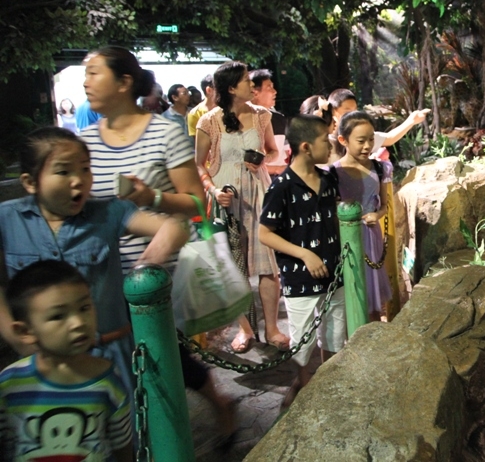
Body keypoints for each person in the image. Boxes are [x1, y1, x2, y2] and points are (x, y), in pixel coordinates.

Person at [77, 47, 235, 442]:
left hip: (157, 271)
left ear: (124, 82)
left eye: (94, 73)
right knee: (141, 358)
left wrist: (152, 198)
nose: (86, 82)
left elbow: (196, 202)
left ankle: (174, 433)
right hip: (104, 275)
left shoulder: (163, 133)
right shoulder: (83, 143)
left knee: (160, 355)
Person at [0, 127, 189, 400]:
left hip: (110, 356)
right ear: (30, 182)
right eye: (63, 171)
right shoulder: (7, 219)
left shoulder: (109, 212)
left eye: (85, 169)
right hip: (41, 365)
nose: (79, 180)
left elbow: (174, 228)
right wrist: (16, 337)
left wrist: (146, 267)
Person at [195, 61, 289, 353]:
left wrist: (262, 157)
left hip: (258, 194)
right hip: (225, 199)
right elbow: (199, 165)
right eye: (247, 80)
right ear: (232, 88)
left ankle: (272, 329)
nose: (252, 85)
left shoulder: (262, 115)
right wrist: (213, 191)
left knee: (268, 265)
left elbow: (273, 151)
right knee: (232, 268)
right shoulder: (208, 121)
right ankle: (245, 329)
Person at [0, 261, 133, 462]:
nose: (78, 323)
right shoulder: (9, 383)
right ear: (25, 331)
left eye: (84, 307)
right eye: (58, 316)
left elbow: (122, 447)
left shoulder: (107, 380)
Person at [258, 114, 345, 409]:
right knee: (302, 339)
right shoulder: (281, 187)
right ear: (306, 146)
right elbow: (265, 233)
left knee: (335, 334)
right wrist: (304, 254)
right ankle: (302, 384)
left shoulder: (329, 179)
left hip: (334, 274)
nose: (330, 145)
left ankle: (329, 383)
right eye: (324, 140)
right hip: (299, 279)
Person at [331, 111, 393, 322]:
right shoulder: (333, 173)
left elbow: (384, 205)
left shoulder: (380, 168)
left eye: (371, 139)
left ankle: (373, 334)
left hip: (372, 237)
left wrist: (377, 214)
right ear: (343, 140)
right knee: (353, 291)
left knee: (373, 296)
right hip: (346, 240)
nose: (367, 146)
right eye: (361, 141)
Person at [326, 88, 430, 163]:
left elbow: (389, 138)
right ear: (333, 112)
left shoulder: (365, 136)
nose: (352, 115)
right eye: (347, 111)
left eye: (355, 110)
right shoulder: (326, 142)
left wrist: (411, 120)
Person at [250, 69, 288, 176]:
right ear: (255, 92)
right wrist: (276, 169)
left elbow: (286, 152)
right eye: (269, 87)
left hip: (280, 180)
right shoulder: (244, 121)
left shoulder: (279, 119)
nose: (274, 91)